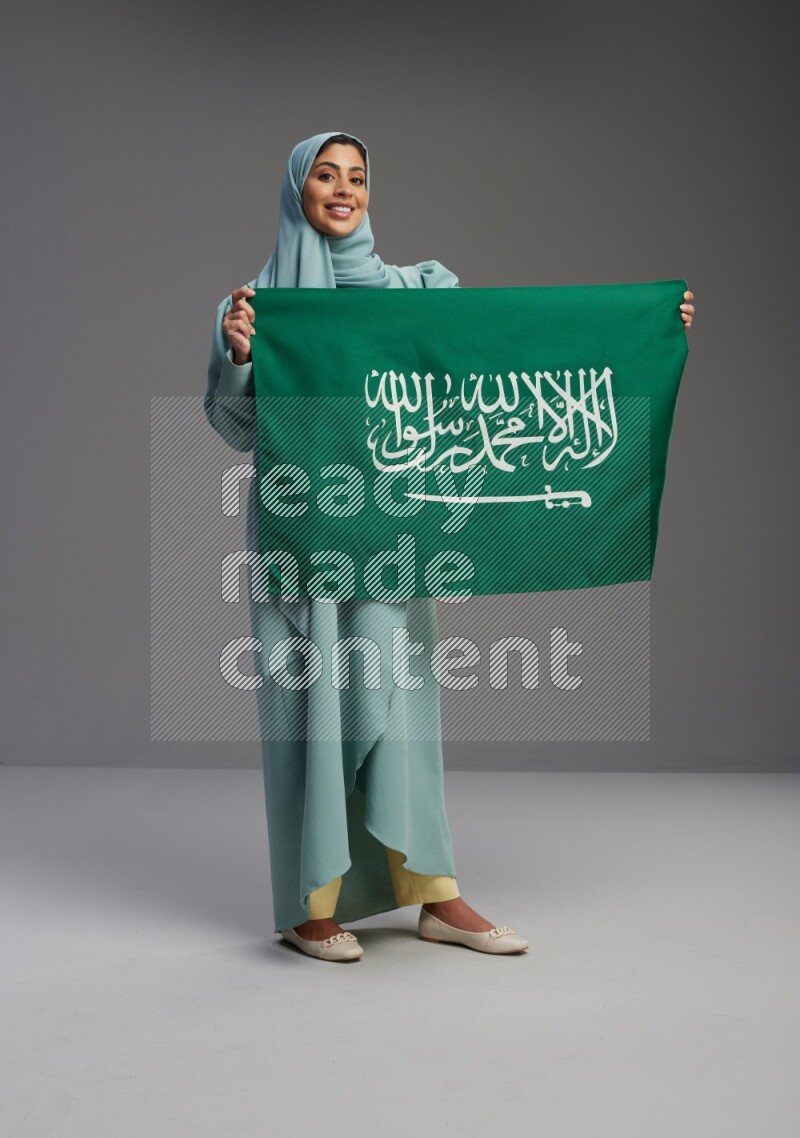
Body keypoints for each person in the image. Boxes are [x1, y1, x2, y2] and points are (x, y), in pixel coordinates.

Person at [204, 131, 695, 964]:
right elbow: (237, 429)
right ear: (297, 190)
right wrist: (240, 358)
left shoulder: (416, 293)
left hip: (394, 528)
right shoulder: (258, 305)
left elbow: (504, 359)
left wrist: (644, 328)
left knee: (403, 703)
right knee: (309, 711)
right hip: (309, 528)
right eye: (325, 175)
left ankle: (432, 892)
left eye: (357, 177)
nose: (343, 189)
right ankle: (308, 905)